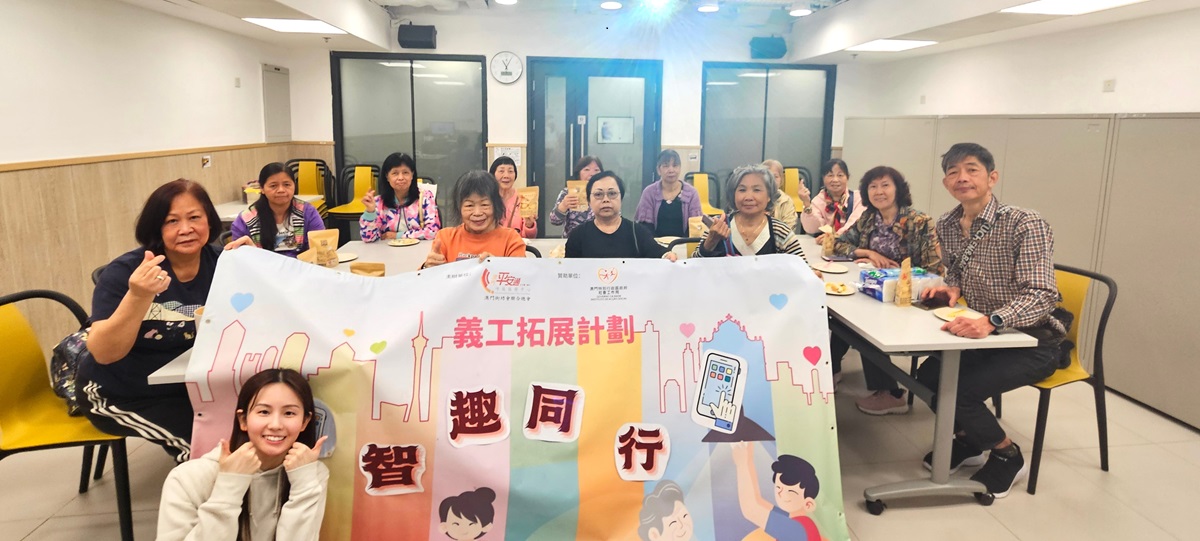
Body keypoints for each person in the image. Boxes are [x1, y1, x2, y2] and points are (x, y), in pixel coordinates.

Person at [917, 142, 1064, 498]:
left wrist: (991, 321)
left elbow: (1042, 294)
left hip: (1033, 340)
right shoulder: (947, 223)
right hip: (987, 336)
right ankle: (969, 439)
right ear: (945, 182)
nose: (962, 178)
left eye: (972, 169)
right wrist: (952, 288)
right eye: (953, 172)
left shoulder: (1024, 222)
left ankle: (1006, 454)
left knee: (960, 392)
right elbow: (956, 271)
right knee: (929, 378)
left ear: (992, 177)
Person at [78, 179, 224, 463]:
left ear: (209, 220)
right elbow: (104, 354)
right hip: (120, 392)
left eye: (195, 217)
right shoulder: (126, 272)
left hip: (190, 386)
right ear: (157, 228)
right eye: (172, 221)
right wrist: (138, 296)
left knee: (255, 428)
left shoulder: (222, 262)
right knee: (205, 453)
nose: (186, 229)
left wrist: (253, 264)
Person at [157, 368, 330, 540]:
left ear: (305, 422)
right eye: (264, 412)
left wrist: (304, 484)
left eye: (289, 413)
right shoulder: (187, 478)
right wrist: (230, 484)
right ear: (243, 419)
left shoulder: (311, 475)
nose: (276, 425)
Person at [828, 166, 942, 414]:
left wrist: (898, 273)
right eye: (873, 186)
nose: (879, 191)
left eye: (885, 185)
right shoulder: (869, 218)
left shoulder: (919, 221)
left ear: (898, 189)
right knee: (840, 318)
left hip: (908, 298)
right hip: (874, 291)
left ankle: (891, 393)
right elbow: (837, 244)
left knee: (860, 326)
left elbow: (934, 270)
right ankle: (831, 370)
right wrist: (868, 253)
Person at [693, 165, 809, 260]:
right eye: (742, 190)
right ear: (733, 195)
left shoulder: (779, 231)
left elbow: (802, 269)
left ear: (769, 196)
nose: (748, 197)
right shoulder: (718, 226)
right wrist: (710, 242)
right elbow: (694, 266)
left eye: (757, 190)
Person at [422, 170, 526, 269]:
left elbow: (522, 277)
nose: (477, 213)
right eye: (469, 205)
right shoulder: (445, 238)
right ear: (459, 207)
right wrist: (427, 267)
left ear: (496, 205)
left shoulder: (511, 239)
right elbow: (424, 278)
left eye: (484, 204)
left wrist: (497, 267)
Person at [566, 171, 677, 261]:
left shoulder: (637, 232)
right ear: (589, 201)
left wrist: (667, 256)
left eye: (612, 194)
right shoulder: (578, 236)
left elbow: (657, 252)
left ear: (621, 198)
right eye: (598, 194)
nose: (606, 200)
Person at [227, 163, 326, 257]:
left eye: (287, 184)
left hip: (301, 266)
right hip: (261, 267)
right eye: (273, 186)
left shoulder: (308, 212)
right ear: (262, 188)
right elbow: (241, 258)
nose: (281, 190)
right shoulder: (246, 219)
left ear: (294, 186)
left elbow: (320, 249)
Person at [730, 442, 824, 541]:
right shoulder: (793, 520)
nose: (780, 493)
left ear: (808, 504)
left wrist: (742, 464)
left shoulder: (796, 529)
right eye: (778, 487)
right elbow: (758, 502)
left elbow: (751, 509)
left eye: (790, 491)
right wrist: (748, 458)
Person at [360, 152, 440, 242]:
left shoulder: (425, 197)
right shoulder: (378, 202)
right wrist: (370, 212)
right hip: (387, 250)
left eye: (405, 173)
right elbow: (368, 238)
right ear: (387, 177)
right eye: (395, 173)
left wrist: (398, 235)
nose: (401, 178)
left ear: (412, 175)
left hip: (418, 248)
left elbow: (433, 231)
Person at [635, 149, 702, 237]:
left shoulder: (692, 193)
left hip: (684, 243)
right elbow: (645, 228)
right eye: (666, 166)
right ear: (659, 170)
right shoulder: (649, 192)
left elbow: (695, 229)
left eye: (675, 165)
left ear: (680, 168)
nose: (671, 170)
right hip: (654, 243)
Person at [799, 158, 865, 239]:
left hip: (850, 243)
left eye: (840, 175)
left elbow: (854, 224)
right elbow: (811, 228)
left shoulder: (858, 198)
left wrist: (835, 237)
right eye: (830, 175)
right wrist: (806, 203)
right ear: (823, 178)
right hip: (825, 244)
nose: (835, 180)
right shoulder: (818, 200)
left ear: (847, 177)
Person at [549, 156, 604, 237]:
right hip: (572, 241)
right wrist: (563, 206)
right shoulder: (567, 192)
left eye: (596, 170)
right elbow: (554, 221)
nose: (592, 174)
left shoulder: (606, 193)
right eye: (587, 169)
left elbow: (616, 219)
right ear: (578, 173)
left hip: (601, 240)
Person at [489, 156, 537, 238]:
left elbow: (530, 237)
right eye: (501, 171)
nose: (506, 175)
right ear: (493, 174)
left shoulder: (523, 198)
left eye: (510, 171)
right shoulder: (487, 198)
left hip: (516, 244)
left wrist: (529, 225)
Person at [762, 159, 801, 230]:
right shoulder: (754, 198)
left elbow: (789, 227)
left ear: (781, 180)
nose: (772, 180)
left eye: (776, 177)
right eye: (768, 176)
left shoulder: (786, 201)